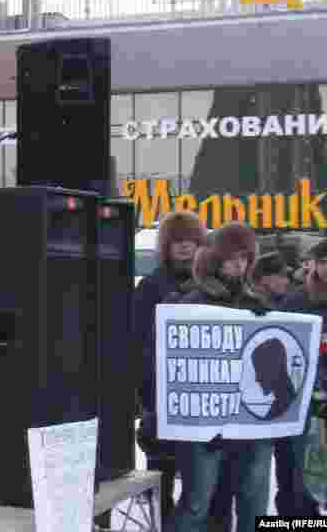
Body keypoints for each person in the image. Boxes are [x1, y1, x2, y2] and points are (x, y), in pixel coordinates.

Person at [170, 222, 273, 532]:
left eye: (244, 257)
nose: (238, 264)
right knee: (197, 504)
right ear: (215, 258)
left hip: (249, 421)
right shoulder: (193, 301)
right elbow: (174, 362)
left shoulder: (258, 302)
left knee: (253, 502)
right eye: (230, 257)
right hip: (205, 423)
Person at [133, 211, 207, 522]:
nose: (185, 246)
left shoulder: (211, 285)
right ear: (166, 245)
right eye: (178, 241)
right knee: (160, 479)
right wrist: (146, 395)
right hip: (160, 397)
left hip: (202, 399)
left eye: (191, 240)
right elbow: (137, 342)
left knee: (200, 485)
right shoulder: (150, 286)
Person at [277, 238, 327, 514]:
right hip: (301, 402)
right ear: (313, 265)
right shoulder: (296, 300)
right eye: (323, 262)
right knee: (296, 474)